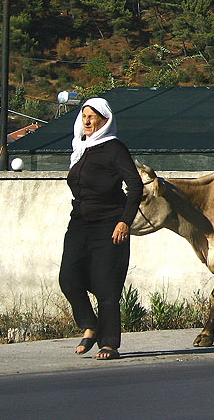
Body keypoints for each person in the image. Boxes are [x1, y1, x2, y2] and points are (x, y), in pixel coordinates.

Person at [59, 98, 143, 360]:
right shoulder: (81, 149)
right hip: (80, 222)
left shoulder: (114, 148)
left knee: (107, 286)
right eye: (84, 115)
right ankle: (90, 324)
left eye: (92, 116)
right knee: (68, 278)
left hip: (109, 224)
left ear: (105, 121)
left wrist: (124, 221)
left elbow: (136, 186)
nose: (86, 121)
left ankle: (109, 343)